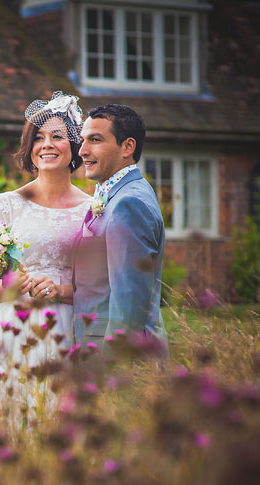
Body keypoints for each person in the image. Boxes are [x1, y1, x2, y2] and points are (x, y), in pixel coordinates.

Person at [0, 92, 90, 424]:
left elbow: (105, 287)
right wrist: (7, 284)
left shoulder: (92, 210)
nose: (46, 145)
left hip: (63, 329)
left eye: (57, 136)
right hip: (7, 329)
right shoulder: (5, 205)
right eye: (38, 138)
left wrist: (60, 290)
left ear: (76, 146)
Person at [73, 104, 167, 350]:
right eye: (83, 140)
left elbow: (129, 306)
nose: (82, 150)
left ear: (127, 147)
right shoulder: (111, 193)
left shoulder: (129, 203)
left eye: (95, 140)